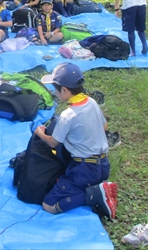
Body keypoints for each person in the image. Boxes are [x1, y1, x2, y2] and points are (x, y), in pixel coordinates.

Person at [34, 63, 118, 220]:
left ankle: (94, 194)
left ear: (64, 90)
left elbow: (53, 143)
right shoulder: (92, 102)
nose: (55, 92)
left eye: (55, 88)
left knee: (49, 205)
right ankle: (97, 186)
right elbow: (104, 127)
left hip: (84, 169)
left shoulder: (68, 115)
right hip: (103, 165)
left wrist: (40, 133)